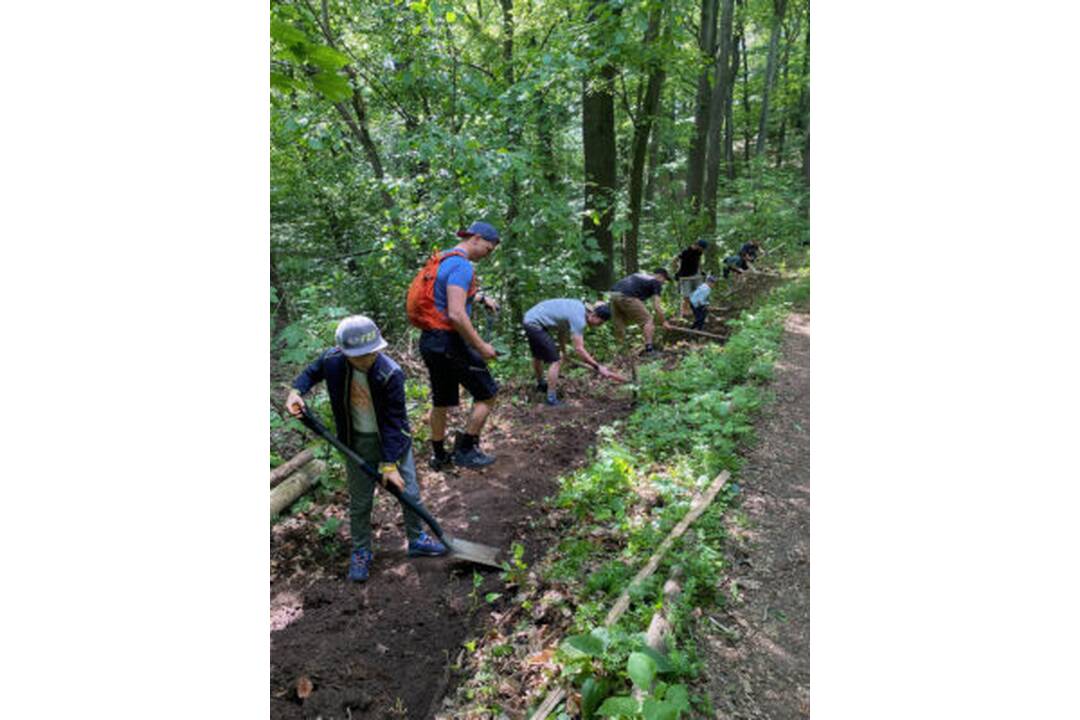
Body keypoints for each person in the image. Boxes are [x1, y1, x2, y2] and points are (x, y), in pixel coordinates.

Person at [285, 315, 447, 583]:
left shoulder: (390, 372)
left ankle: (417, 538)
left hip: (392, 442)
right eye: (358, 355)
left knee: (410, 494)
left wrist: (389, 464)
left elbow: (396, 422)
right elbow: (312, 372)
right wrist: (296, 391)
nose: (366, 359)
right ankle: (361, 550)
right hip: (355, 441)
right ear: (344, 351)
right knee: (360, 502)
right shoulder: (333, 361)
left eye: (370, 353)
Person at [416, 221, 501, 470]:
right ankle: (466, 450)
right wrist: (482, 346)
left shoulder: (443, 259)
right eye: (488, 247)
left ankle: (439, 456)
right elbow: (455, 313)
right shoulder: (462, 266)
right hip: (449, 342)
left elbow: (444, 295)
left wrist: (481, 298)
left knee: (441, 400)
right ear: (475, 238)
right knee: (488, 392)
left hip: (430, 340)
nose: (488, 253)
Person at [522, 299, 614, 406]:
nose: (599, 325)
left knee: (537, 355)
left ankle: (541, 385)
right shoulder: (579, 319)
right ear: (594, 315)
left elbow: (562, 332)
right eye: (601, 322)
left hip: (530, 318)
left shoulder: (578, 308)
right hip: (535, 323)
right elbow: (579, 349)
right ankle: (551, 399)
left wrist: (564, 352)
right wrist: (597, 366)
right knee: (555, 361)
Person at [609, 268, 672, 356]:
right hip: (628, 296)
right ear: (660, 276)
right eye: (664, 279)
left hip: (613, 294)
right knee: (648, 321)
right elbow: (657, 306)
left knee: (620, 324)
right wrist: (664, 322)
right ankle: (649, 350)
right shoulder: (656, 282)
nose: (663, 282)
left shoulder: (640, 276)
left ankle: (620, 352)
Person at [672, 238, 709, 318]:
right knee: (686, 295)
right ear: (698, 245)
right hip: (685, 276)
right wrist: (676, 271)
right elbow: (675, 260)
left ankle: (696, 311)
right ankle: (684, 313)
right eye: (702, 248)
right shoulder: (686, 251)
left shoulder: (699, 252)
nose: (702, 250)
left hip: (695, 275)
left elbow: (698, 262)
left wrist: (701, 271)